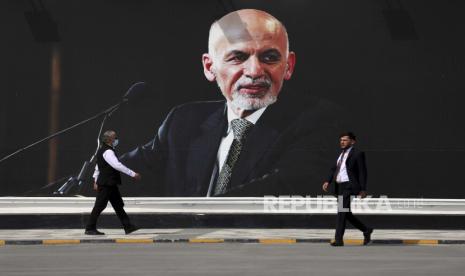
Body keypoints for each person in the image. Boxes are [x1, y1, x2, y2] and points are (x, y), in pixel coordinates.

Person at [121, 9, 341, 196]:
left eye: (270, 57)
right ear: (209, 67)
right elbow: (126, 171)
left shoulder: (316, 120)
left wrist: (198, 214)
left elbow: (285, 188)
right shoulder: (184, 121)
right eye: (238, 57)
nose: (255, 72)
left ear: (289, 65)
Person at [85, 130, 141, 235]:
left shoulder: (103, 150)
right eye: (115, 137)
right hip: (106, 183)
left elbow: (98, 167)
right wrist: (132, 174)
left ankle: (128, 226)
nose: (116, 139)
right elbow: (116, 165)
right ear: (110, 139)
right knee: (100, 205)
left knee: (118, 205)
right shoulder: (108, 151)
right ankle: (89, 228)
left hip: (109, 183)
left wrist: (95, 180)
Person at [322, 132, 373, 246]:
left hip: (350, 186)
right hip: (339, 186)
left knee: (341, 211)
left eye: (345, 140)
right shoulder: (340, 154)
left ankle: (338, 239)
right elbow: (334, 169)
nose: (342, 142)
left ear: (352, 141)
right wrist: (328, 181)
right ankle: (366, 230)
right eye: (341, 140)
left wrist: (363, 189)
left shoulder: (358, 154)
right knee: (346, 212)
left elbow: (362, 172)